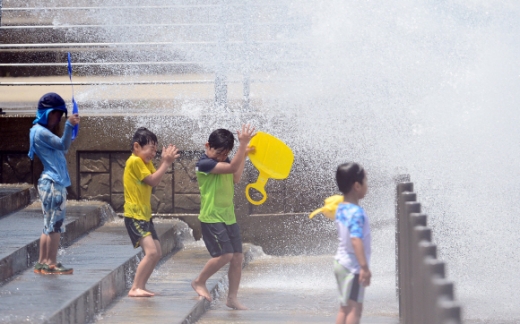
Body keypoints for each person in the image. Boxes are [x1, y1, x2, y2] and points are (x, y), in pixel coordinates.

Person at [191, 124, 255, 310]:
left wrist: (244, 154)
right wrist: (243, 146)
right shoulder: (204, 164)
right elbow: (232, 166)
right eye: (218, 153)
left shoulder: (225, 162)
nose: (220, 157)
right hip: (212, 217)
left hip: (228, 217)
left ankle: (232, 298)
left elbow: (235, 177)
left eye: (224, 154)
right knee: (225, 254)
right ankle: (199, 281)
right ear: (207, 146)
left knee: (237, 258)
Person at [123, 127, 179, 297]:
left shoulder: (145, 163)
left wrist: (163, 161)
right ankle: (135, 288)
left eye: (155, 150)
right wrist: (166, 163)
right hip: (134, 215)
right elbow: (154, 181)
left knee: (158, 252)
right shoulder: (135, 162)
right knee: (152, 252)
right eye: (150, 149)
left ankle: (141, 286)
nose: (153, 153)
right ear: (136, 147)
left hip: (144, 216)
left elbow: (155, 178)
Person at [28, 92, 80, 275]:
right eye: (55, 114)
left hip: (48, 182)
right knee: (56, 225)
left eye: (60, 115)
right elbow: (63, 146)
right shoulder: (41, 132)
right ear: (45, 113)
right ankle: (51, 263)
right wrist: (68, 125)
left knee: (47, 224)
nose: (57, 118)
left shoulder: (36, 130)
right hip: (53, 183)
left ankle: (41, 263)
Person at [334, 162, 371, 324]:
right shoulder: (356, 213)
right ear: (357, 186)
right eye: (366, 181)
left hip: (341, 263)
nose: (367, 185)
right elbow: (356, 240)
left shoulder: (342, 207)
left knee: (345, 307)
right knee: (355, 309)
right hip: (352, 266)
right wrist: (364, 267)